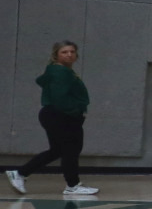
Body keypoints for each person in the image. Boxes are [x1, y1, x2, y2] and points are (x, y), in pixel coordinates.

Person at [8, 40, 94, 198]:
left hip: (55, 115)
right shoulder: (60, 72)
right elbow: (59, 97)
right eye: (64, 52)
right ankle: (72, 186)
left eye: (72, 52)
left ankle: (21, 173)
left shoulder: (59, 71)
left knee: (59, 150)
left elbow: (42, 81)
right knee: (70, 150)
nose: (69, 54)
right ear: (56, 55)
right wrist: (77, 112)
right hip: (61, 115)